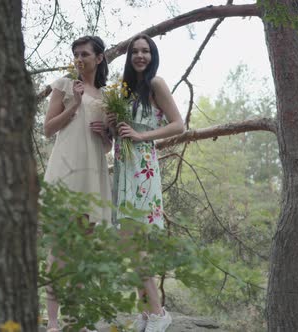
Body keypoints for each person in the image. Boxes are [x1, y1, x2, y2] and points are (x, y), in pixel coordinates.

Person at [107, 34, 184, 332]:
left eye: (146, 51)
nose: (140, 56)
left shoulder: (156, 84)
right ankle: (147, 312)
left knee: (137, 244)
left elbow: (179, 124)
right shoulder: (125, 90)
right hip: (123, 169)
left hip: (142, 169)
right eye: (135, 51)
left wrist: (141, 136)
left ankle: (158, 314)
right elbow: (120, 133)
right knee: (129, 244)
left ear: (153, 56)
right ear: (129, 57)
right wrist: (110, 127)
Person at [43, 35, 112, 332]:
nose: (79, 59)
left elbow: (107, 147)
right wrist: (75, 105)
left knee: (83, 250)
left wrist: (105, 135)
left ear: (98, 58)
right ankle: (54, 321)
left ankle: (75, 319)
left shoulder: (109, 97)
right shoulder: (63, 84)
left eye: (85, 54)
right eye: (76, 54)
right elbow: (47, 129)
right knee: (59, 248)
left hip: (93, 173)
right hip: (65, 170)